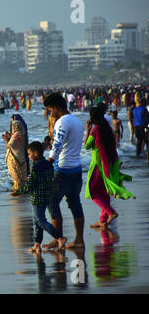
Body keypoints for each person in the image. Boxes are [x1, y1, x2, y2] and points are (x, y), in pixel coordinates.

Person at [43, 93, 85, 250]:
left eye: (50, 110)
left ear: (56, 107)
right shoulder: (77, 121)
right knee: (75, 204)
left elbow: (57, 145)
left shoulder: (61, 122)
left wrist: (48, 163)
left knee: (51, 201)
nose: (50, 113)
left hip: (62, 170)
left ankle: (58, 238)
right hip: (76, 169)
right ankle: (79, 239)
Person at [84, 107, 134, 229]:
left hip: (98, 165)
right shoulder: (107, 129)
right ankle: (103, 220)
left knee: (92, 192)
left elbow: (86, 146)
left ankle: (111, 212)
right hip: (109, 163)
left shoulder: (95, 130)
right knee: (103, 191)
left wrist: (88, 131)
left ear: (92, 118)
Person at [23, 141, 67, 253]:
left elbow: (31, 184)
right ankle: (37, 245)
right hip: (46, 195)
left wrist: (19, 190)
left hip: (37, 197)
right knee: (37, 221)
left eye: (29, 154)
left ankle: (59, 238)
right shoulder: (48, 164)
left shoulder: (36, 167)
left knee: (40, 220)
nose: (28, 156)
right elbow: (43, 179)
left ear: (36, 153)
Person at [2, 120, 28, 196]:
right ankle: (20, 188)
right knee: (19, 174)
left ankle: (18, 190)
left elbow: (10, 145)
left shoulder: (17, 134)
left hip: (16, 158)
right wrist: (10, 137)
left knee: (17, 174)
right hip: (19, 157)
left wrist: (6, 139)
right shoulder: (21, 134)